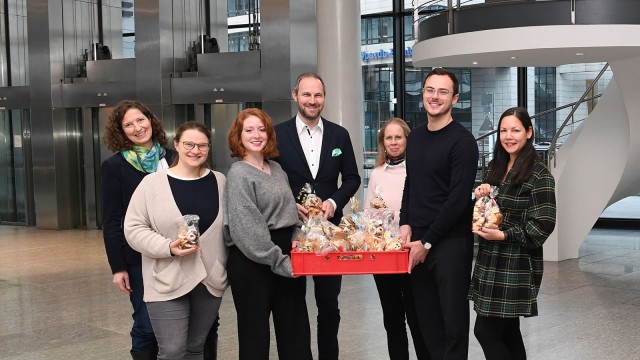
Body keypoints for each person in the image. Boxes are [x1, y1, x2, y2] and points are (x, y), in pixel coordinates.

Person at [274, 72, 361, 360]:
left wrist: (335, 203)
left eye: (318, 95)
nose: (313, 101)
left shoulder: (339, 134)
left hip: (330, 234)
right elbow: (269, 180)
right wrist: (288, 204)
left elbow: (352, 178)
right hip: (289, 231)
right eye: (307, 95)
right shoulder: (276, 134)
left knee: (328, 303)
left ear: (324, 98)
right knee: (291, 303)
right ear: (295, 95)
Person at [124, 121, 228, 359]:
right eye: (189, 144)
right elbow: (133, 229)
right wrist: (167, 247)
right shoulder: (152, 184)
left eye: (202, 145)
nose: (195, 150)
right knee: (172, 351)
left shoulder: (220, 181)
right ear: (177, 145)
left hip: (209, 279)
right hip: (166, 279)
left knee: (196, 348)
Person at [399, 67, 479, 360]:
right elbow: (412, 183)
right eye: (430, 90)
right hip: (417, 244)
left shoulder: (463, 142)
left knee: (452, 326)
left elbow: (458, 201)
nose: (435, 97)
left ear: (455, 98)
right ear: (422, 95)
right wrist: (405, 221)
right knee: (426, 324)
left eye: (443, 91)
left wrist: (427, 243)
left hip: (449, 246)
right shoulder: (416, 137)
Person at [224, 108, 313, 360]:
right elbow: (247, 229)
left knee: (295, 331)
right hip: (254, 260)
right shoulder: (239, 174)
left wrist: (297, 244)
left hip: (285, 253)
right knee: (255, 338)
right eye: (249, 130)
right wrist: (282, 262)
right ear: (238, 136)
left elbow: (288, 214)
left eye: (262, 129)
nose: (256, 135)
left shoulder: (276, 169)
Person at [469, 107, 556, 360]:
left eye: (515, 130)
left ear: (528, 133)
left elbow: (542, 225)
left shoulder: (539, 175)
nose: (509, 136)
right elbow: (489, 211)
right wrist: (480, 195)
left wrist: (504, 235)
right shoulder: (496, 167)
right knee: (508, 331)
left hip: (515, 264)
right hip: (490, 260)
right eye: (504, 130)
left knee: (485, 331)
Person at [101, 99, 174, 359]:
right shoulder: (115, 166)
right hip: (137, 259)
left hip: (177, 251)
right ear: (121, 132)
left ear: (150, 121)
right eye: (128, 124)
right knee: (146, 323)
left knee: (178, 322)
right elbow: (111, 220)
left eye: (140, 120)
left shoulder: (173, 157)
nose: (137, 127)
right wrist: (118, 267)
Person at [364, 118, 430, 360]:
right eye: (388, 138)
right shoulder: (377, 174)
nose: (393, 142)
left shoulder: (417, 170)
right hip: (384, 256)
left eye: (398, 137)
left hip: (410, 253)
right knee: (392, 317)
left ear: (407, 140)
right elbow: (369, 213)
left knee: (416, 316)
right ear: (383, 142)